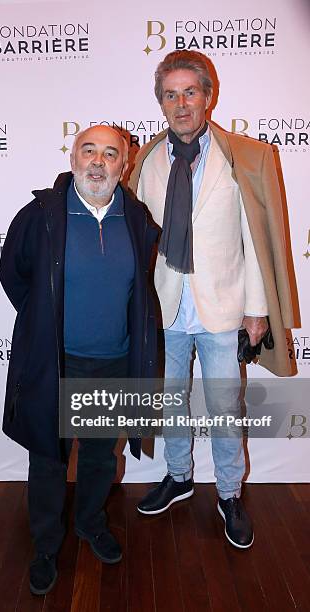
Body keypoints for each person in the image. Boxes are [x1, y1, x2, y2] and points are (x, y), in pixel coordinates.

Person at [129, 50, 295, 549]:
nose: (181, 104)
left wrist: (258, 308)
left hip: (223, 309)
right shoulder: (144, 162)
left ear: (208, 96)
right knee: (171, 404)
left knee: (225, 408)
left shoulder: (239, 158)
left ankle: (229, 494)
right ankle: (179, 477)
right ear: (160, 102)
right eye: (170, 94)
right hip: (165, 307)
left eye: (190, 92)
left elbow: (255, 240)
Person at [0, 125, 158, 595]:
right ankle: (46, 546)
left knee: (97, 458)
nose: (98, 162)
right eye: (89, 150)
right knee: (49, 460)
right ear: (72, 156)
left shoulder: (136, 216)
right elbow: (15, 277)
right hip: (56, 361)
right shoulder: (41, 215)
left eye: (111, 154)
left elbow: (140, 288)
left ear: (123, 166)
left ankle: (90, 523)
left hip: (112, 362)